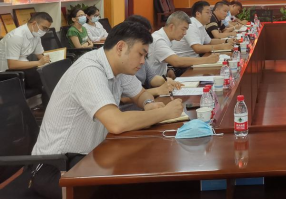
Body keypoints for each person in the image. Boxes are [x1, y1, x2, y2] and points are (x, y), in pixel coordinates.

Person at [30, 21, 184, 199]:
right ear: (120, 47)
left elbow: (141, 94)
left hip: (92, 155)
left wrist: (148, 103)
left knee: (150, 172)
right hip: (57, 167)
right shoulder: (90, 70)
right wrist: (164, 113)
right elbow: (116, 123)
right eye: (140, 54)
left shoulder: (119, 67)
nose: (143, 61)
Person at [120, 15, 183, 111]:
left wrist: (166, 81)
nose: (148, 40)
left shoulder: (141, 54)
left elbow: (151, 77)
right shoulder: (122, 61)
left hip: (143, 106)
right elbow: (124, 98)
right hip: (130, 111)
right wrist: (158, 90)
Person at [146, 11, 220, 78]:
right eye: (183, 29)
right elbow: (176, 61)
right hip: (153, 84)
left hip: (163, 77)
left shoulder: (167, 37)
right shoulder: (158, 40)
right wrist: (206, 60)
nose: (185, 33)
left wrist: (168, 70)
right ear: (172, 27)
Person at [0, 12, 53, 93]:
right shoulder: (16, 36)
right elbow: (12, 64)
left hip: (23, 67)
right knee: (44, 81)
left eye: (47, 29)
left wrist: (50, 61)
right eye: (44, 28)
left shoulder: (36, 35)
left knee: (49, 73)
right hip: (6, 72)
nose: (45, 31)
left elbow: (39, 54)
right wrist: (39, 62)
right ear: (34, 23)